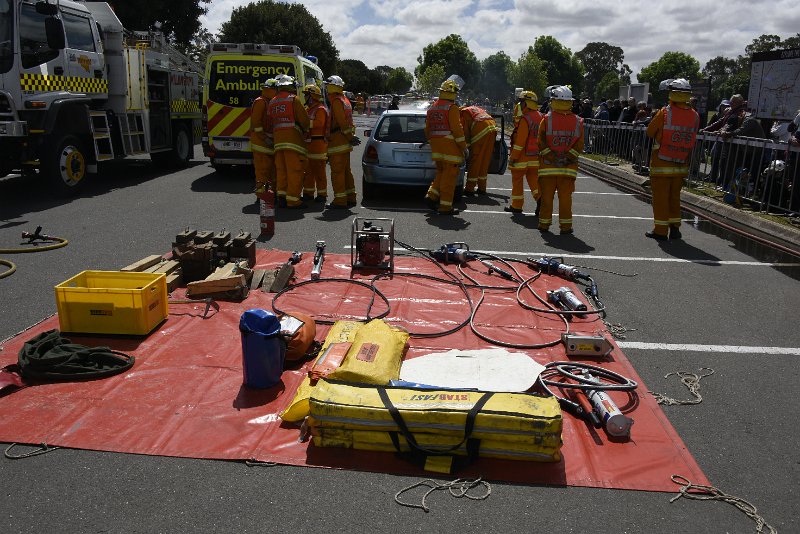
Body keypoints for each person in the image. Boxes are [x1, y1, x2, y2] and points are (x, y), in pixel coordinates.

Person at [644, 78, 700, 241]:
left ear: (672, 93)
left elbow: (650, 132)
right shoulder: (695, 116)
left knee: (661, 199)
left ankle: (661, 231)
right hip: (681, 164)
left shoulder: (665, 112)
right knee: (674, 198)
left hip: (662, 164)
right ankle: (675, 228)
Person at [537, 85, 584, 234]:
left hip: (548, 167)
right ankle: (566, 227)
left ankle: (544, 225)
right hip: (568, 169)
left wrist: (553, 157)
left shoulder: (546, 119)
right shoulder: (578, 121)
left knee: (546, 199)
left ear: (554, 101)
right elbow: (579, 145)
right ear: (570, 102)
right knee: (565, 199)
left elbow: (540, 142)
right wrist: (567, 158)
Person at [424, 79, 467, 215]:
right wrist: (463, 147)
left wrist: (433, 141)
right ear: (453, 94)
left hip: (436, 148)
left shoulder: (432, 107)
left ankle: (432, 196)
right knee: (449, 178)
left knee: (441, 173)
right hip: (450, 149)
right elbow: (457, 129)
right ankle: (445, 207)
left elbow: (427, 129)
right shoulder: (451, 108)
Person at [268, 75, 310, 209]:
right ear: (291, 86)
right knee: (294, 171)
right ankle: (293, 200)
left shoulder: (273, 101)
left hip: (278, 142)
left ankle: (281, 197)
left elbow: (271, 121)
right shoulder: (293, 100)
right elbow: (304, 120)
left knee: (281, 170)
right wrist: (305, 129)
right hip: (293, 142)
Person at [505, 90, 543, 215]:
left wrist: (513, 157)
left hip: (522, 157)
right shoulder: (541, 117)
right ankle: (540, 198)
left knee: (517, 180)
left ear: (527, 103)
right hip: (536, 157)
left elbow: (520, 141)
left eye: (521, 102)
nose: (520, 105)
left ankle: (516, 206)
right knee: (533, 179)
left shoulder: (525, 119)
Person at [325, 75, 357, 209]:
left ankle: (340, 200)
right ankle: (350, 198)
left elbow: (341, 123)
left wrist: (350, 137)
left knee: (337, 172)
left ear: (333, 87)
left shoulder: (336, 101)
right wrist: (351, 137)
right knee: (346, 171)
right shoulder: (345, 100)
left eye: (328, 85)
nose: (326, 88)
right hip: (345, 141)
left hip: (338, 141)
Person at [460, 104, 497, 196]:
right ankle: (482, 187)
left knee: (475, 160)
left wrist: (466, 148)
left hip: (481, 129)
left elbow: (465, 132)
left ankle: (469, 188)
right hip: (492, 127)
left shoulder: (463, 113)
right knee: (485, 159)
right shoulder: (475, 109)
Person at [302, 84, 329, 203]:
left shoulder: (320, 109)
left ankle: (322, 195)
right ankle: (308, 193)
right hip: (310, 143)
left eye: (306, 95)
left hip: (318, 143)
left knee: (319, 171)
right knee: (308, 171)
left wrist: (305, 123)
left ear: (312, 96)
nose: (304, 97)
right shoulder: (309, 109)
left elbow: (319, 123)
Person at [250, 78, 278, 195]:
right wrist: (265, 138)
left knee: (271, 170)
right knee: (262, 170)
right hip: (261, 143)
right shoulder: (260, 101)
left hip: (269, 143)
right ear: (271, 89)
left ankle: (270, 192)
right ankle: (261, 195)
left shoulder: (270, 101)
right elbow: (256, 124)